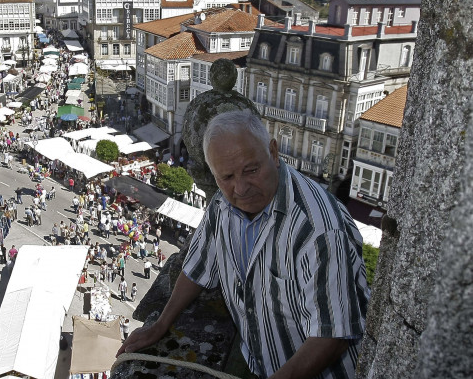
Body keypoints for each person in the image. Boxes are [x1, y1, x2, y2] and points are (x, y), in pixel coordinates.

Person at [118, 109, 370, 379]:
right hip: (260, 364)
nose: (240, 188)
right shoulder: (221, 204)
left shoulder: (319, 229)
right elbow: (198, 267)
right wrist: (161, 325)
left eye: (251, 170)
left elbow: (332, 335)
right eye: (226, 178)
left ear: (273, 153)